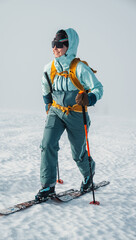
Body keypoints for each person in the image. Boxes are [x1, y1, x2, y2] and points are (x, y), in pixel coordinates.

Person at [35, 28, 103, 200]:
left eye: (59, 45)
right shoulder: (49, 68)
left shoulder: (80, 68)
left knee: (78, 153)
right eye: (53, 44)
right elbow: (45, 88)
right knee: (47, 144)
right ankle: (47, 186)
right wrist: (48, 105)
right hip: (56, 111)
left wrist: (90, 98)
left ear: (69, 46)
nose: (55, 48)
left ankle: (88, 175)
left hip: (76, 115)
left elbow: (98, 88)